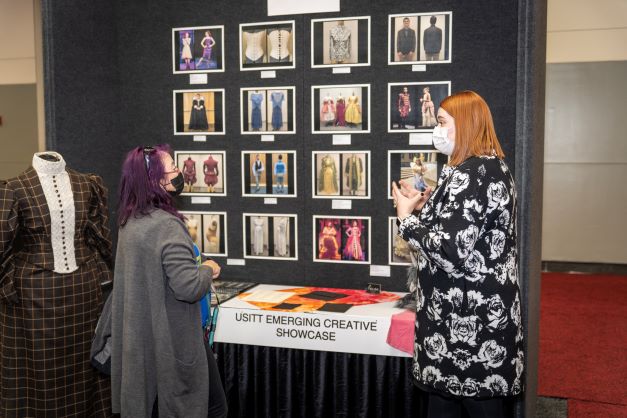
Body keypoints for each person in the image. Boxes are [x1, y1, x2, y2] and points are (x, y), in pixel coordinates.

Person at [392, 91, 523, 418]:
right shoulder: (491, 167)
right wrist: (424, 209)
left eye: (441, 122)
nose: (436, 130)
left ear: (463, 125)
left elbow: (451, 252)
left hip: (466, 331)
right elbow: (462, 231)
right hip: (477, 327)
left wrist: (406, 219)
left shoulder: (470, 173)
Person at [111, 145, 227, 418]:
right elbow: (188, 288)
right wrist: (208, 269)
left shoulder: (130, 221)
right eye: (172, 168)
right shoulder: (166, 226)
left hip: (145, 339)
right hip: (176, 341)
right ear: (155, 181)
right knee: (214, 408)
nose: (178, 173)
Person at [0, 151, 113, 416]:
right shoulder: (15, 188)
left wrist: (102, 277)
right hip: (33, 298)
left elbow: (100, 239)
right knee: (40, 375)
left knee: (86, 365)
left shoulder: (87, 183)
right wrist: (7, 287)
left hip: (83, 294)